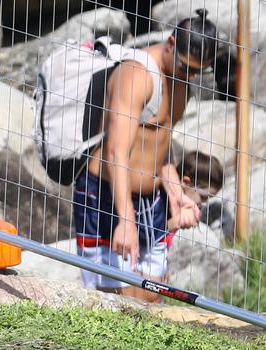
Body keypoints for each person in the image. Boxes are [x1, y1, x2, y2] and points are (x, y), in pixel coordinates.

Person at [75, 10, 221, 299]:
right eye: (184, 66)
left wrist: (177, 195)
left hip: (151, 202)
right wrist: (125, 220)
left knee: (153, 295)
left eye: (196, 71)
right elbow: (116, 152)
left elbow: (159, 150)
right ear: (170, 42)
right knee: (113, 299)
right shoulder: (136, 74)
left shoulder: (181, 82)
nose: (188, 75)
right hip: (107, 197)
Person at [167, 149, 223, 231]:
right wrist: (175, 221)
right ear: (186, 182)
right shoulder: (160, 202)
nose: (205, 203)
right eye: (203, 196)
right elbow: (148, 234)